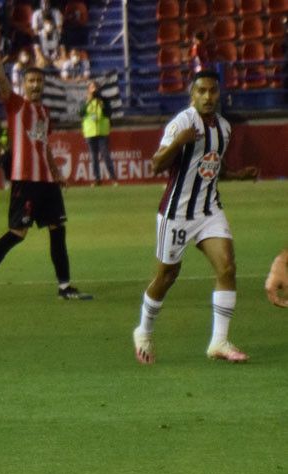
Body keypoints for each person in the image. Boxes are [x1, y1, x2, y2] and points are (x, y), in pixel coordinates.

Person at [132, 70, 259, 365]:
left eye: (212, 91)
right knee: (167, 275)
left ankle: (219, 341)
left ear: (219, 94)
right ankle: (144, 330)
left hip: (209, 211)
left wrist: (238, 175)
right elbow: (155, 165)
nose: (207, 97)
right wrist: (178, 142)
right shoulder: (182, 123)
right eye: (201, 91)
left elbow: (213, 165)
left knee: (227, 267)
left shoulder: (224, 128)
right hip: (176, 214)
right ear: (192, 95)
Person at [0, 24, 91, 303]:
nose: (36, 86)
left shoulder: (45, 112)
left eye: (39, 82)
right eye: (31, 82)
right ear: (24, 85)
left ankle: (64, 287)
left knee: (58, 230)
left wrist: (57, 172)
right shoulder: (15, 105)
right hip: (24, 180)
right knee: (18, 233)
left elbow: (45, 146)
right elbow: (1, 81)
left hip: (47, 182)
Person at [79, 80, 117, 186]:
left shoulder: (104, 100)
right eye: (92, 88)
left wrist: (102, 104)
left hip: (102, 131)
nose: (94, 90)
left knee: (105, 155)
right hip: (90, 132)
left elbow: (109, 113)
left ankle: (113, 178)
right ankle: (97, 179)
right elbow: (80, 113)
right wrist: (88, 102)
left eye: (96, 88)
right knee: (93, 156)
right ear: (88, 90)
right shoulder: (85, 101)